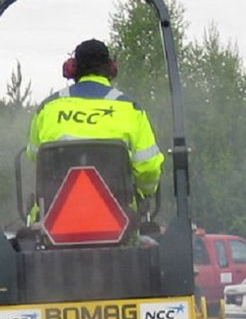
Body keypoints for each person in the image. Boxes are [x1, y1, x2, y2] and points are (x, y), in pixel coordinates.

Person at [27, 39, 164, 203]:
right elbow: (148, 167)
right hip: (120, 217)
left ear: (72, 68)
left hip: (55, 215)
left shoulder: (47, 108)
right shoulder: (130, 109)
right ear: (111, 68)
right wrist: (145, 193)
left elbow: (35, 156)